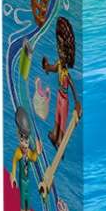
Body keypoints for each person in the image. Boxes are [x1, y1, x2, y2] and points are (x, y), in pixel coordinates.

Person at [40, 17, 79, 150]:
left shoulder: (65, 72)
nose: (60, 52)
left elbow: (72, 85)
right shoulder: (59, 64)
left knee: (62, 118)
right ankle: (55, 135)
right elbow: (53, 68)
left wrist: (77, 102)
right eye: (59, 49)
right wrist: (47, 67)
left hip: (65, 97)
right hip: (59, 95)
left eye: (62, 50)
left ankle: (60, 139)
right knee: (57, 116)